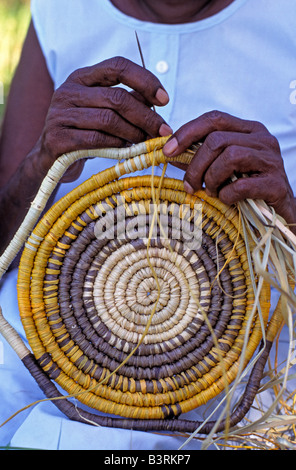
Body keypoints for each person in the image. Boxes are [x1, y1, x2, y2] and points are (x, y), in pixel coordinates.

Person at [0, 0, 295, 450]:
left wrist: (287, 210)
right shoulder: (60, 10)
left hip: (246, 399)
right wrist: (42, 159)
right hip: (37, 389)